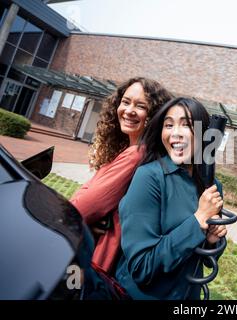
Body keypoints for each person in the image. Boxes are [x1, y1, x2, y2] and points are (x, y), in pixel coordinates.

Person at [116, 97, 227, 300]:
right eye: (168, 125)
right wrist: (198, 221)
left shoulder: (212, 186)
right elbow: (141, 268)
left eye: (187, 125)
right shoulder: (149, 178)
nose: (175, 133)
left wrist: (211, 241)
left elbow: (207, 260)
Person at [70, 77, 172, 276]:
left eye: (140, 106)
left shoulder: (136, 155)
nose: (129, 110)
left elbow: (81, 208)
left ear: (154, 115)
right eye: (125, 102)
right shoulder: (136, 150)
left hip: (95, 257)